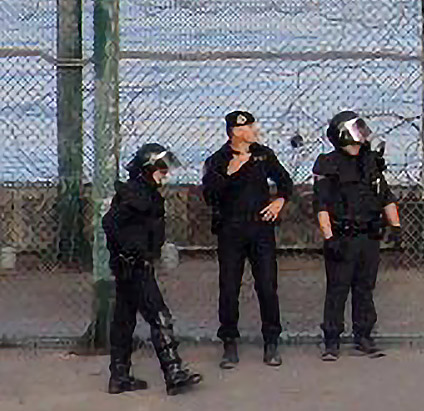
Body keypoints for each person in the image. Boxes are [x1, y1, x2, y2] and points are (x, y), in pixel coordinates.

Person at [102, 143, 203, 395]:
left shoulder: (143, 192)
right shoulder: (136, 194)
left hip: (130, 265)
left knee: (124, 320)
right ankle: (174, 373)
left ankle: (119, 376)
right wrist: (129, 251)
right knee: (159, 317)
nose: (165, 173)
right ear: (148, 169)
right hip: (135, 266)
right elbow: (110, 222)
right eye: (160, 168)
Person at [201, 109, 294, 368]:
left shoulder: (264, 155)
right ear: (237, 132)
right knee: (229, 287)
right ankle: (229, 342)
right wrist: (229, 174)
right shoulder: (218, 159)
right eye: (251, 127)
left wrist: (279, 202)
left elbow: (286, 183)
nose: (256, 130)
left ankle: (271, 341)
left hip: (261, 229)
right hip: (230, 231)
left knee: (267, 285)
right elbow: (209, 196)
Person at [313, 110, 400, 360]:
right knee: (338, 289)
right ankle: (332, 340)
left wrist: (395, 227)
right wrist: (329, 238)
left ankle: (364, 335)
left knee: (365, 288)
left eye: (359, 139)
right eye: (352, 140)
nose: (357, 144)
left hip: (369, 235)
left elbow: (385, 195)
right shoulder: (328, 164)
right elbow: (322, 205)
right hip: (342, 235)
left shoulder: (370, 162)